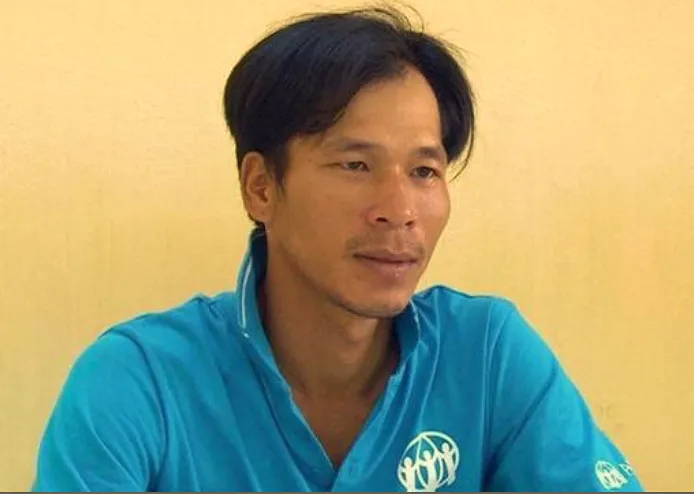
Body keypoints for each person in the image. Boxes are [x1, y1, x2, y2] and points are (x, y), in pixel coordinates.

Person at [32, 6, 644, 492]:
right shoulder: (139, 380)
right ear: (261, 187)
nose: (399, 209)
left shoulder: (485, 354)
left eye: (424, 171)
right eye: (355, 164)